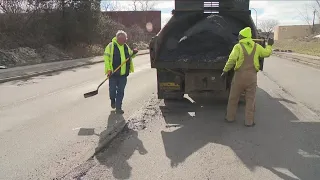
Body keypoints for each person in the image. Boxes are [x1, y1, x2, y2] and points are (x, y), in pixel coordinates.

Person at [221, 27, 274, 127]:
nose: (238, 37)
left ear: (242, 36)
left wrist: (225, 70)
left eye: (240, 36)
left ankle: (230, 118)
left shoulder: (238, 47)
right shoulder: (256, 46)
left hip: (239, 76)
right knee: (250, 100)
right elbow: (266, 53)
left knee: (233, 98)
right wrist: (269, 46)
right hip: (252, 77)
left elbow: (231, 60)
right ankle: (249, 122)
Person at [104, 30, 138, 114]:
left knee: (120, 91)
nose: (124, 41)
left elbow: (131, 56)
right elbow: (106, 59)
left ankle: (118, 108)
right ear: (118, 38)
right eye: (122, 40)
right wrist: (108, 69)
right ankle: (112, 100)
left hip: (123, 75)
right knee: (112, 90)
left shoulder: (126, 47)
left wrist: (134, 53)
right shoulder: (111, 46)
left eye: (125, 40)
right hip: (113, 74)